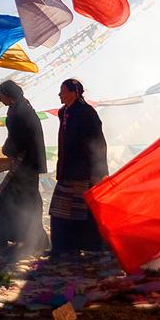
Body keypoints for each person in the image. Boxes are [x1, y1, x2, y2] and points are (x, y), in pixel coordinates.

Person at [0, 80, 49, 250]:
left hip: (25, 161)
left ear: (8, 95)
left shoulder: (21, 111)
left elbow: (20, 138)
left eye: (1, 96)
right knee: (24, 200)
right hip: (26, 162)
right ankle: (22, 236)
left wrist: (7, 150)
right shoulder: (20, 108)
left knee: (9, 198)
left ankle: (7, 236)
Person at [49, 78, 108, 259]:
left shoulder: (86, 113)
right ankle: (62, 247)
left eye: (63, 90)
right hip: (67, 169)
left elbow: (98, 142)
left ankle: (93, 245)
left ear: (74, 93)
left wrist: (98, 171)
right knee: (60, 209)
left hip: (84, 170)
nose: (59, 94)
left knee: (82, 211)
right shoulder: (63, 113)